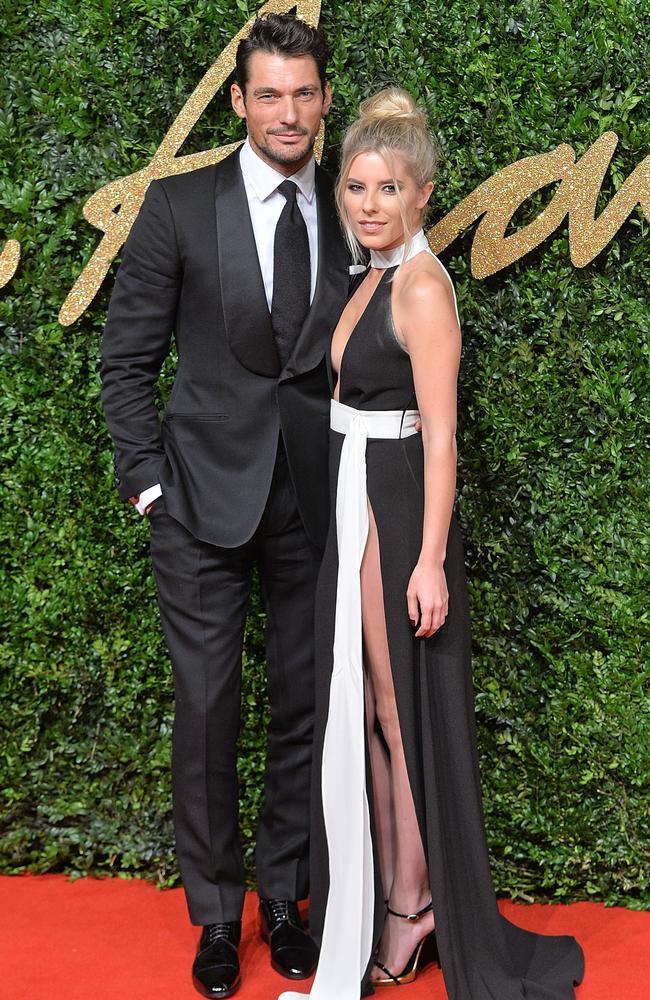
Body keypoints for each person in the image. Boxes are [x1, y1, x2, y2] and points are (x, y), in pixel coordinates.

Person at [280, 89, 585, 1000]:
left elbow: (443, 436)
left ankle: (414, 907)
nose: (369, 205)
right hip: (354, 504)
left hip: (398, 513)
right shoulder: (368, 274)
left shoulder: (418, 286)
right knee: (371, 711)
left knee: (399, 713)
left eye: (389, 189)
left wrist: (426, 560)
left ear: (423, 196)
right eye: (357, 188)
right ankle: (389, 893)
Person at [100, 14, 351, 999]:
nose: (287, 112)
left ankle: (285, 899)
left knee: (303, 709)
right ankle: (214, 915)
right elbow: (125, 359)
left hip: (315, 503)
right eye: (269, 94)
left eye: (303, 93)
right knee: (205, 712)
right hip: (197, 503)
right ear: (238, 101)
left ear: (322, 101)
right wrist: (148, 482)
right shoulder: (175, 206)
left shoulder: (352, 205)